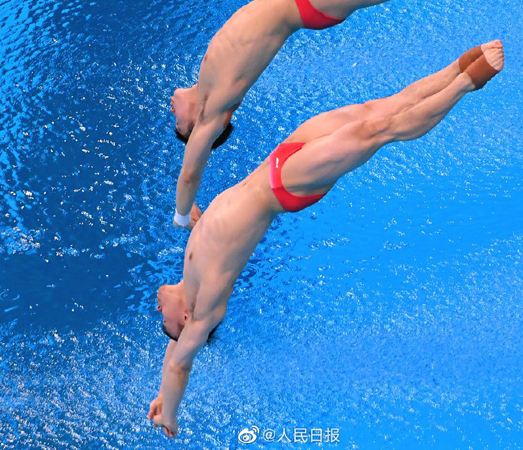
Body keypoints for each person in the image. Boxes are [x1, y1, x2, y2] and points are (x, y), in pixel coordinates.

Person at [151, 40, 504, 436]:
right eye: (165, 324)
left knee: (377, 110)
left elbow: (170, 358)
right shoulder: (204, 310)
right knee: (377, 131)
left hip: (282, 158)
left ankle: (455, 68)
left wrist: (162, 394)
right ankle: (468, 84)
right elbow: (181, 361)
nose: (157, 314)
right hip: (286, 184)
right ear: (184, 320)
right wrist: (171, 413)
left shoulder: (194, 267)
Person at [170, 0, 523, 229]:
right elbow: (190, 174)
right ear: (198, 128)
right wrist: (183, 216)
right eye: (177, 126)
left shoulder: (206, 82)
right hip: (308, 1)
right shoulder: (213, 112)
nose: (172, 113)